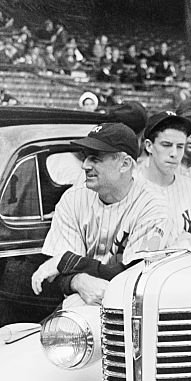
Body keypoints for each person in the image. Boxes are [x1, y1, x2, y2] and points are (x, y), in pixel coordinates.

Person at [26, 123, 171, 308]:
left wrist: (68, 262)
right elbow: (54, 275)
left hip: (136, 308)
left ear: (125, 164)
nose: (85, 166)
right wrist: (77, 281)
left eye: (96, 158)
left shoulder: (154, 206)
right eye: (86, 157)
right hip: (82, 304)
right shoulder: (73, 199)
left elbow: (134, 275)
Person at [137, 111, 191, 241]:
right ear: (149, 146)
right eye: (166, 145)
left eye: (180, 146)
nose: (174, 153)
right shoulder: (129, 185)